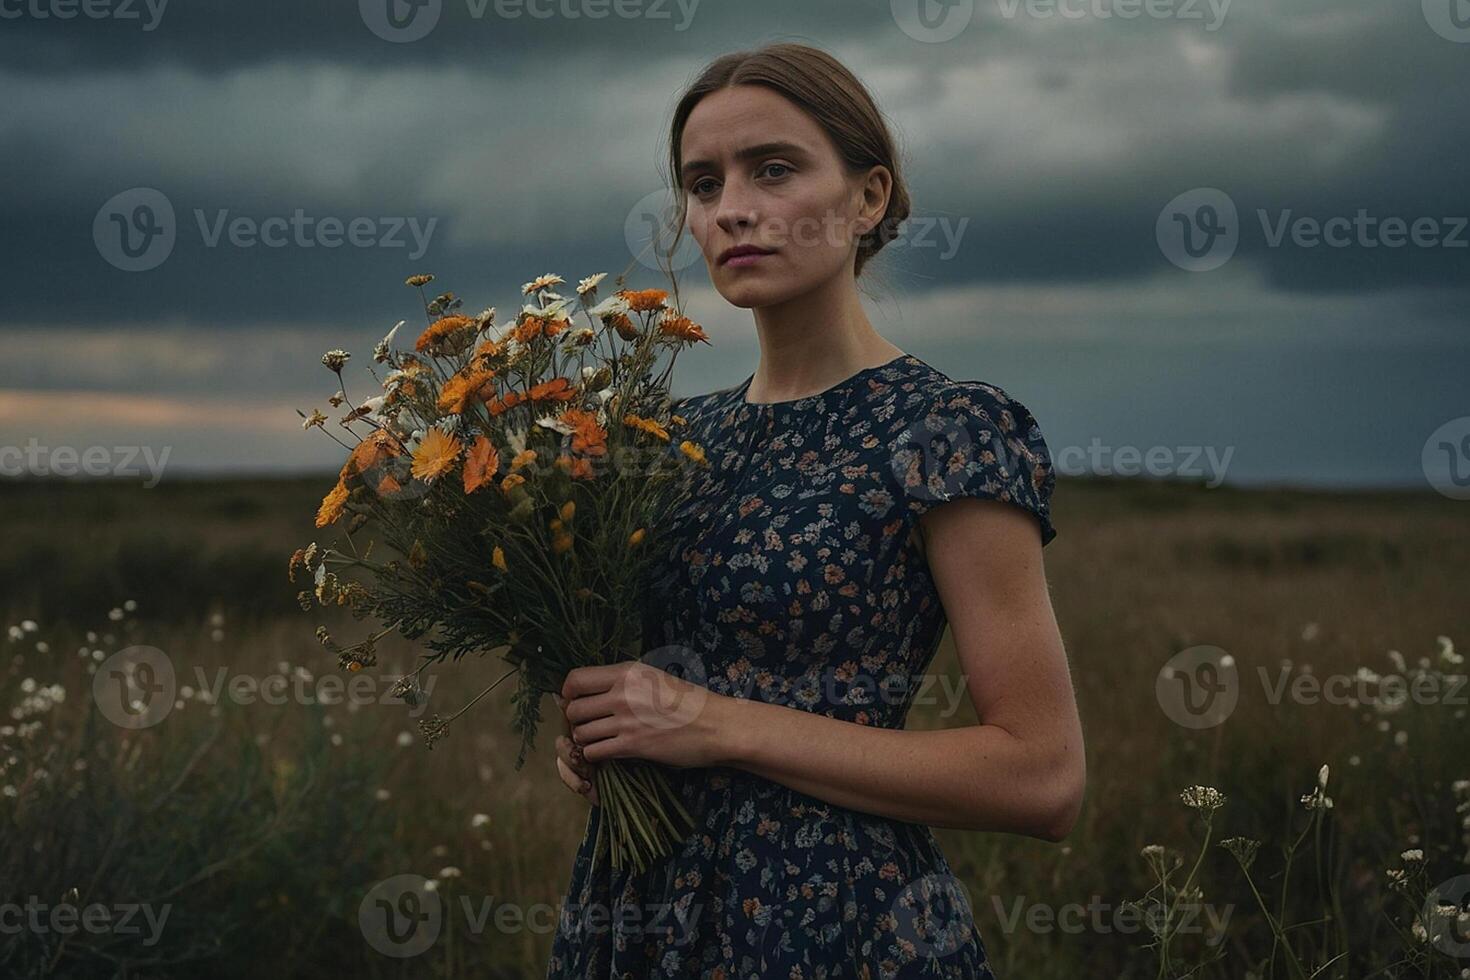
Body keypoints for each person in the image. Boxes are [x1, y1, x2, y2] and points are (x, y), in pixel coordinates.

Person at [546, 41, 1085, 979]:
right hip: (638, 914)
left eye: (775, 169)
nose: (733, 209)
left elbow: (1043, 776)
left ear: (868, 197)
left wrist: (712, 724)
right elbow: (662, 691)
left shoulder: (941, 429)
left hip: (835, 920)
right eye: (703, 184)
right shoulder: (668, 441)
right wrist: (609, 736)